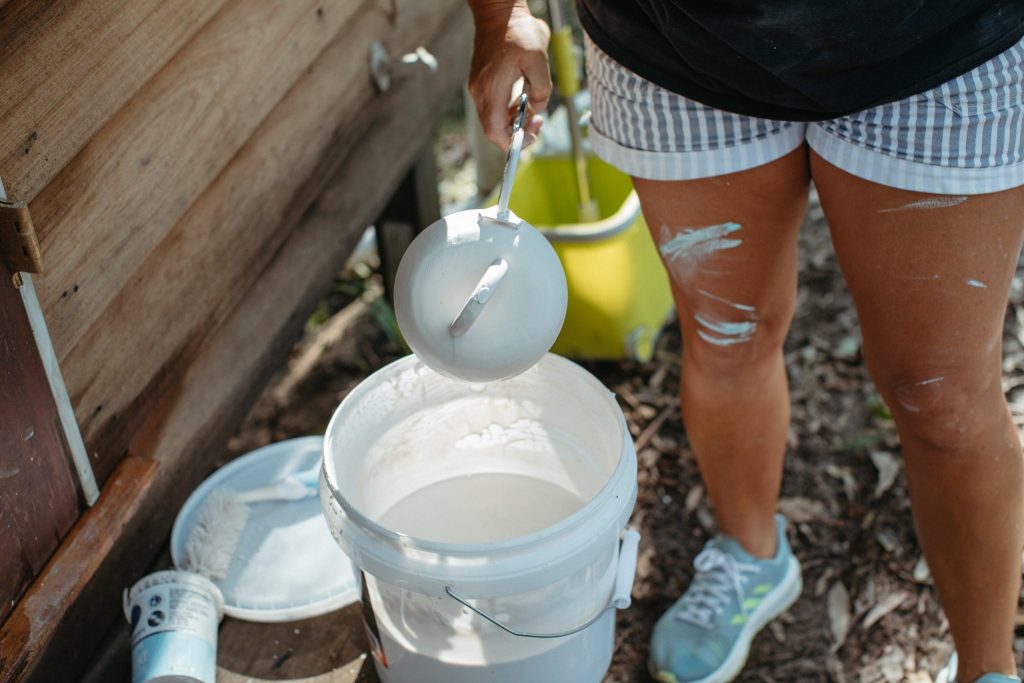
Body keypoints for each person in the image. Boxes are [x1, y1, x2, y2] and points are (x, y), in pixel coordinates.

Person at [467, 1, 1024, 682]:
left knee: (943, 398)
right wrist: (504, 15)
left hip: (942, 48)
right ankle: (752, 556)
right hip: (679, 51)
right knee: (727, 337)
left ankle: (988, 666)